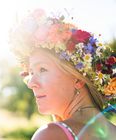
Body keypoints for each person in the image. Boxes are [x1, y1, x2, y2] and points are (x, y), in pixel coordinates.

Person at [9, 9, 116, 140]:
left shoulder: (51, 134)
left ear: (77, 78)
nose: (31, 83)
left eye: (42, 69)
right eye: (31, 73)